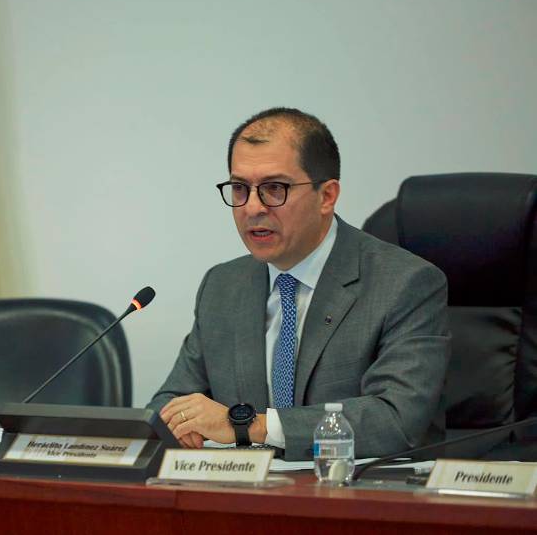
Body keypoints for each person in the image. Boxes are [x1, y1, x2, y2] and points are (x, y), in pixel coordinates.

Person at [147, 107, 450, 460]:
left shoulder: (404, 283)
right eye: (240, 188)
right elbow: (169, 403)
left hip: (355, 500)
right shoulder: (223, 285)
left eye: (274, 188)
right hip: (245, 499)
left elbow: (396, 420)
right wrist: (177, 425)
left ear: (327, 196)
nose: (252, 207)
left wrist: (248, 426)